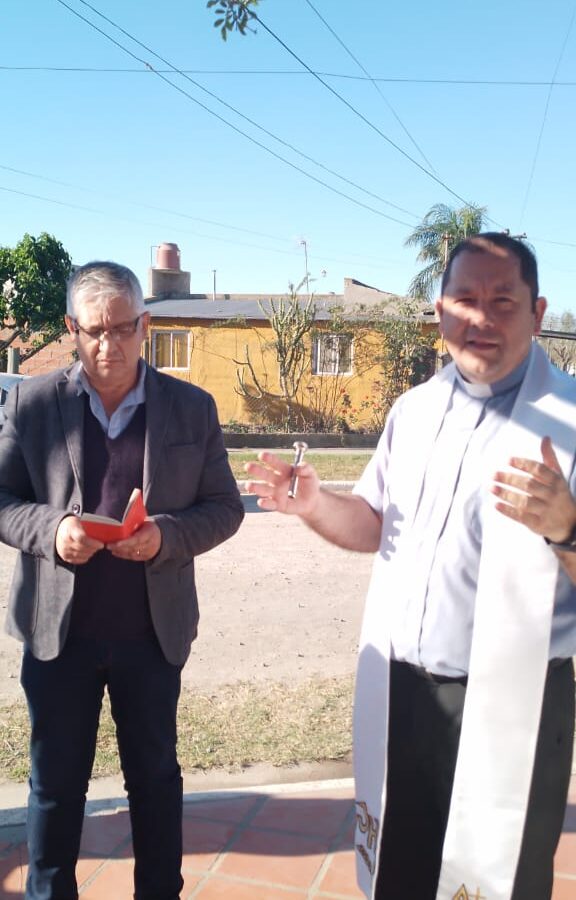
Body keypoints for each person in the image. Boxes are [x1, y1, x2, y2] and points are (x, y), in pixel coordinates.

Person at [246, 233, 576, 900]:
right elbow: (374, 525)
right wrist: (314, 505)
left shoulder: (568, 421)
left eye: (503, 301)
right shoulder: (414, 411)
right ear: (439, 313)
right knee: (399, 869)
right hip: (402, 694)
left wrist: (567, 530)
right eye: (465, 300)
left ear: (539, 313)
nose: (481, 319)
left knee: (499, 883)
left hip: (516, 703)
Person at [0, 261, 245, 900]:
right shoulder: (32, 403)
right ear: (70, 330)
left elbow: (224, 508)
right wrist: (52, 531)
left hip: (151, 637)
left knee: (155, 782)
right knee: (54, 787)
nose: (109, 346)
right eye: (93, 331)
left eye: (123, 329)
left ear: (145, 324)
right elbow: (2, 499)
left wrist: (166, 535)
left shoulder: (192, 408)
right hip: (60, 635)